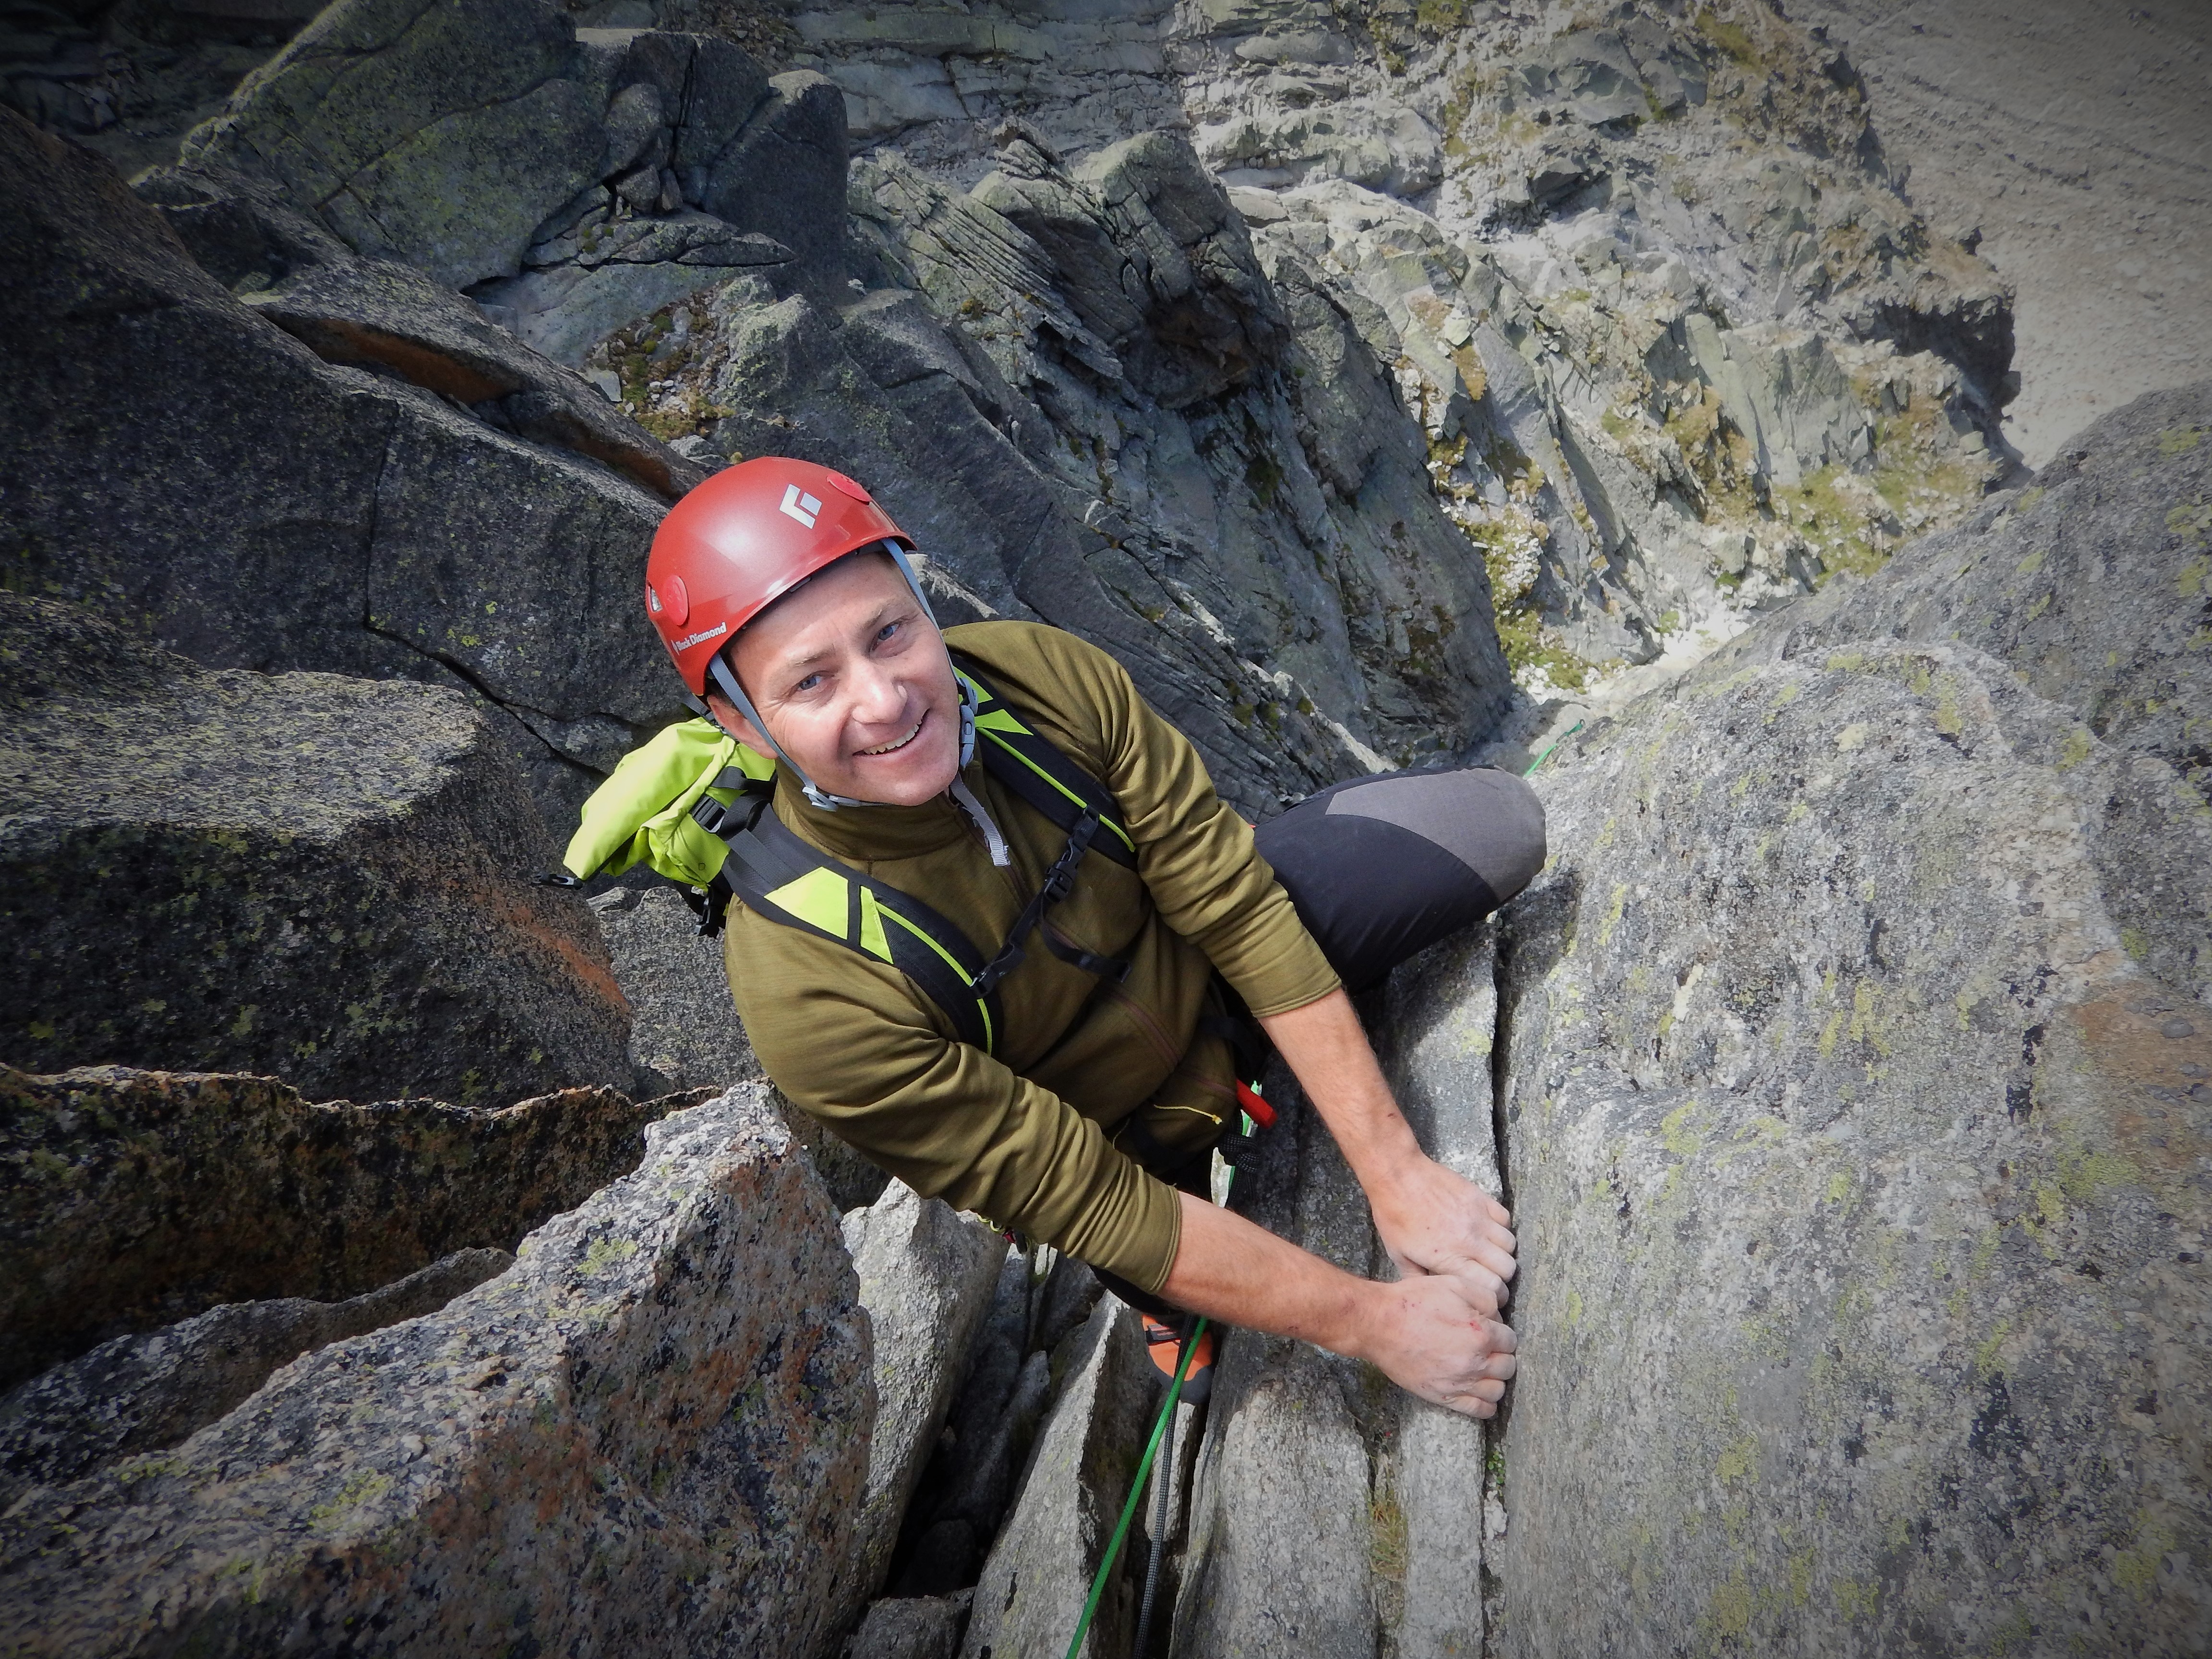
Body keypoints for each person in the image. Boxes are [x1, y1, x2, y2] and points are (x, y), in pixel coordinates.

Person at [627, 457, 1540, 1418]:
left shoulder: (1036, 680)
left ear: (922, 602)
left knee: (1498, 829)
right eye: (812, 681)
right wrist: (1378, 1324)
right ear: (741, 721)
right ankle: (1165, 1305)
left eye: (890, 632)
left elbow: (1227, 898)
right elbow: (1090, 1197)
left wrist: (1397, 1172)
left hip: (1200, 967)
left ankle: (1279, 1058)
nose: (886, 700)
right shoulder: (807, 991)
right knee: (1148, 1261)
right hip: (1110, 1141)